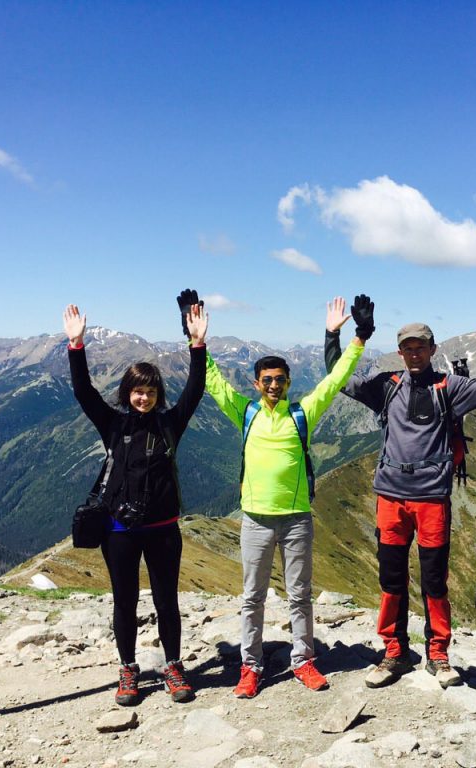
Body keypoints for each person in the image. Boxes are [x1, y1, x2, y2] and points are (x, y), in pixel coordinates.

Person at [325, 300, 476, 689]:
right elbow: (336, 376)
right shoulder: (387, 386)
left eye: (421, 347)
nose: (414, 353)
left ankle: (439, 654)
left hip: (431, 499)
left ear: (432, 349)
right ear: (400, 352)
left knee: (435, 580)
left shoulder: (451, 386)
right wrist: (334, 335)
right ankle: (393, 652)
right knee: (391, 580)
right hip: (390, 497)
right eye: (408, 348)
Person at [200, 294, 372, 699]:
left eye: (280, 379)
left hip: (297, 518)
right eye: (267, 380)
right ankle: (251, 666)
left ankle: (303, 661)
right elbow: (213, 383)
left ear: (288, 382)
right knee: (253, 597)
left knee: (300, 594)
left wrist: (359, 337)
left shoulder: (302, 413)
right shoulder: (245, 411)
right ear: (256, 383)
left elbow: (333, 382)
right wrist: (198, 342)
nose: (274, 385)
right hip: (255, 520)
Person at [63, 302, 209, 707]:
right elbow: (83, 392)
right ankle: (128, 670)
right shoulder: (113, 424)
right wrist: (76, 345)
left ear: (159, 394)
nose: (144, 397)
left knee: (167, 601)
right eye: (137, 390)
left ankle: (173, 666)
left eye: (150, 391)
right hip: (119, 530)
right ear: (127, 393)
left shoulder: (169, 423)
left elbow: (195, 390)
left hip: (163, 529)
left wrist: (198, 344)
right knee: (124, 601)